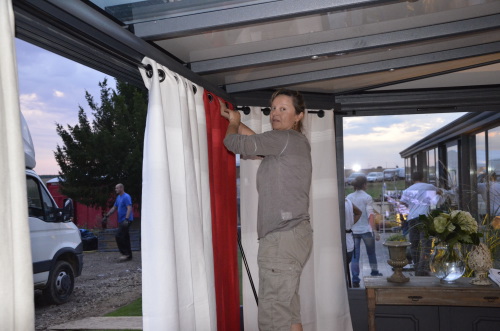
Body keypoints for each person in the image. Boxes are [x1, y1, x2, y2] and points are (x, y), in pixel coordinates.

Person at [221, 89, 312, 331]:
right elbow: (257, 145)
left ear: (298, 116)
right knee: (289, 314)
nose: (275, 113)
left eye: (284, 109)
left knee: (273, 319)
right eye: (273, 108)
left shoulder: (283, 138)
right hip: (295, 236)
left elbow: (232, 143)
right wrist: (238, 121)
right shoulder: (291, 142)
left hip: (282, 238)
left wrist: (233, 123)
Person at [399, 171, 443, 275]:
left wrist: (402, 219)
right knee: (425, 244)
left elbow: (401, 205)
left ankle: (416, 266)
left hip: (412, 218)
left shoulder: (407, 190)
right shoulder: (429, 187)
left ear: (412, 179)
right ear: (423, 177)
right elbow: (440, 192)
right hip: (424, 218)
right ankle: (423, 268)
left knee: (414, 244)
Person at [346, 175, 382, 288]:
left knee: (355, 256)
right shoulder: (367, 197)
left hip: (353, 230)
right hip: (366, 230)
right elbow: (370, 215)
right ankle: (374, 273)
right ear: (364, 185)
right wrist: (375, 231)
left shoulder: (349, 197)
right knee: (371, 253)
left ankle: (355, 278)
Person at [103, 183, 134, 261]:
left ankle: (124, 254)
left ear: (121, 188)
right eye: (115, 188)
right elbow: (114, 207)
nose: (115, 189)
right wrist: (107, 215)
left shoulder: (126, 197)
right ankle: (129, 255)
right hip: (122, 220)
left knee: (119, 236)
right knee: (125, 237)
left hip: (126, 220)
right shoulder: (118, 197)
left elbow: (129, 208)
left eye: (117, 188)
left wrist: (126, 219)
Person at [345, 198, 362, 287]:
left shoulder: (342, 203)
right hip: (349, 242)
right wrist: (350, 224)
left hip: (344, 242)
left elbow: (359, 212)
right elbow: (359, 212)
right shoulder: (348, 201)